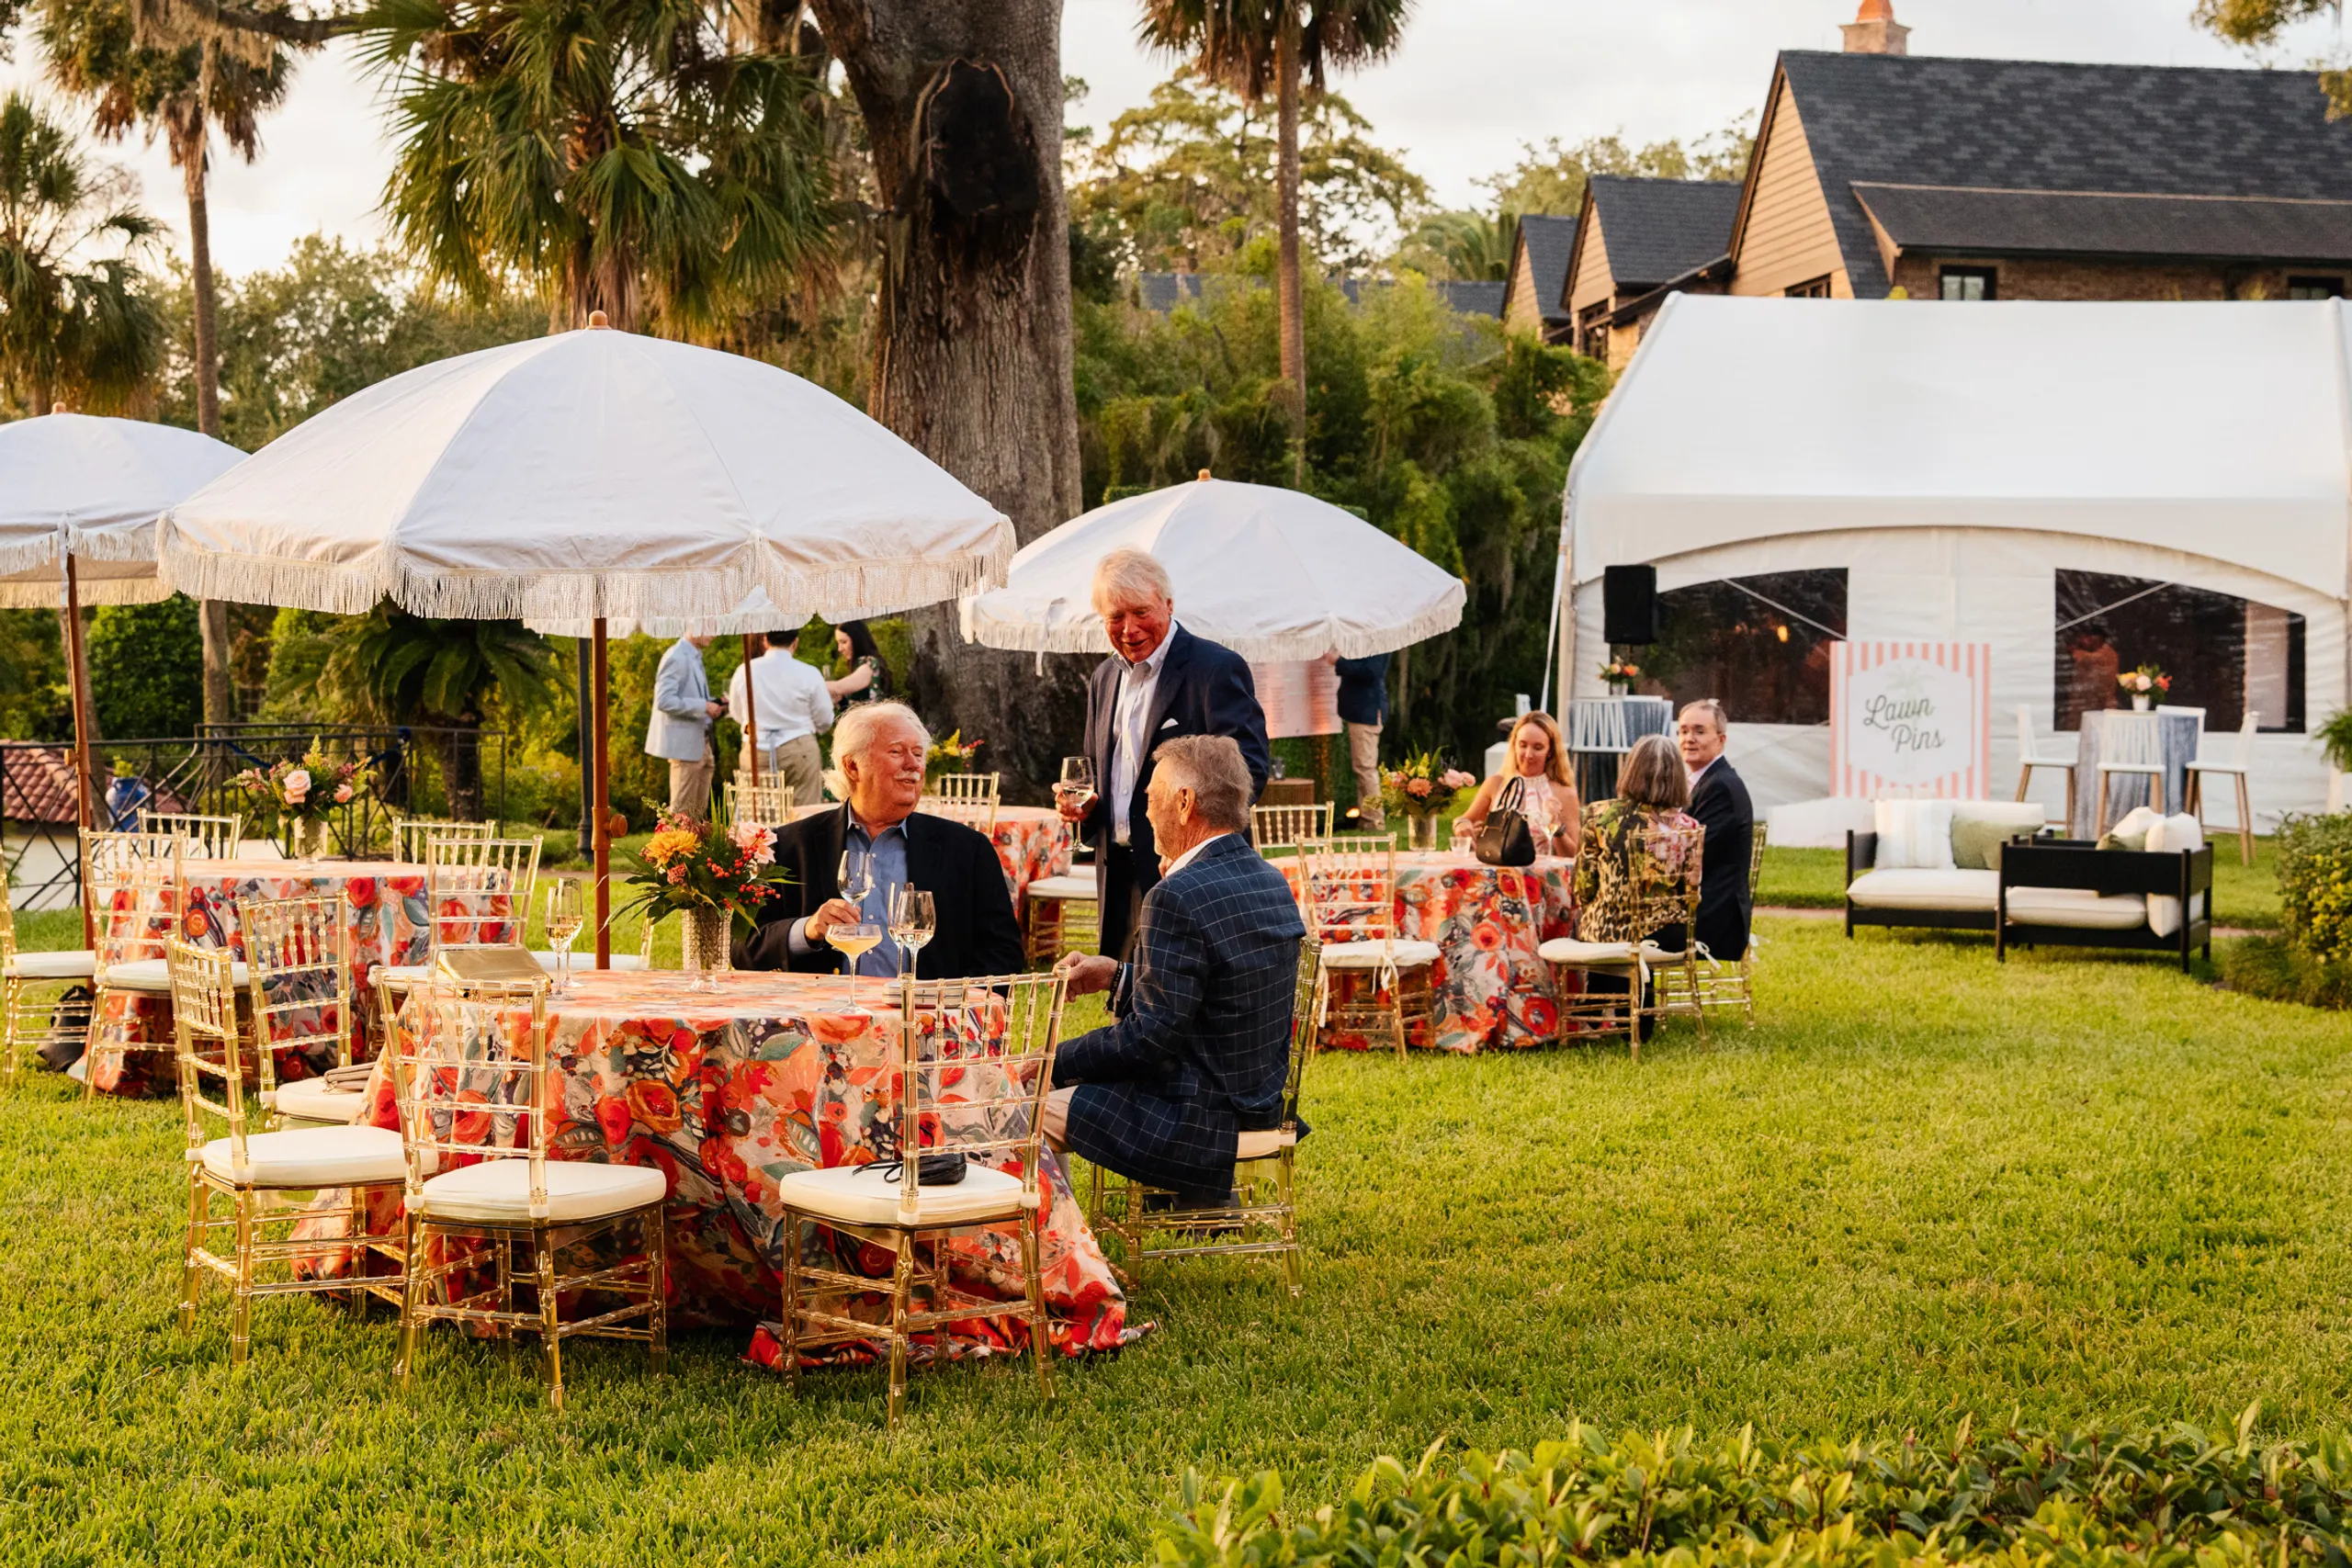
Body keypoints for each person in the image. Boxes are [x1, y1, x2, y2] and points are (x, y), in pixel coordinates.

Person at [1046, 736, 1306, 1204]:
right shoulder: (1268, 878)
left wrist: (1051, 1063)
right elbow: (1214, 996)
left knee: (1025, 1108)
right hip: (1258, 1100)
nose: (1144, 814)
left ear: (1184, 803)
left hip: (1198, 1115)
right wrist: (1116, 975)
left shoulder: (1177, 893)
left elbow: (1149, 1038)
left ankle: (1059, 1254)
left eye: (1149, 797)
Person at [1057, 547, 1272, 961]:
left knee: (1182, 1008)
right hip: (1117, 874)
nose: (1129, 628)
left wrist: (1188, 837)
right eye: (1115, 617)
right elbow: (1098, 776)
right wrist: (1084, 809)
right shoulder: (1103, 678)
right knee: (1125, 1005)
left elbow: (1249, 772)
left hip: (1192, 874)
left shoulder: (1215, 668)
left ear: (1169, 604)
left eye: (1141, 612)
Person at [734, 702, 1023, 978]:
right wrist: (808, 929)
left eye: (918, 754)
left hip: (926, 1021)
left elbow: (1003, 953)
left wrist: (948, 1009)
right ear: (852, 766)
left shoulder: (967, 849)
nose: (913, 764)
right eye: (896, 751)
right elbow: (743, 948)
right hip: (823, 1021)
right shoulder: (790, 845)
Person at [1573, 733, 1704, 948]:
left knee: (1600, 940)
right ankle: (1646, 981)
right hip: (1665, 934)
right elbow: (1691, 896)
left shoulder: (1598, 815)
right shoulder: (1688, 827)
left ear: (1631, 770)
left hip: (1606, 930)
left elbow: (1583, 887)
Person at [1677, 698, 1755, 962]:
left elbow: (1689, 856)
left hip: (1714, 918)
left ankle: (1628, 1004)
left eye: (1699, 731)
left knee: (1620, 929)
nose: (1689, 738)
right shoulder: (1700, 782)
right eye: (1684, 731)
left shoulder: (1720, 787)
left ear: (1721, 740)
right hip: (1696, 906)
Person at [724, 627, 836, 808]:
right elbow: (825, 719)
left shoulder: (745, 671)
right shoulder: (808, 673)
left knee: (759, 815)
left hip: (756, 747)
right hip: (799, 747)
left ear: (765, 640)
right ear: (795, 642)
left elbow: (738, 713)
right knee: (803, 812)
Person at [1457, 711, 1582, 858]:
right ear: (1514, 746)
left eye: (1538, 747)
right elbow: (1464, 820)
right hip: (1497, 869)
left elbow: (1574, 855)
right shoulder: (1496, 784)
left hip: (1541, 876)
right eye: (1523, 745)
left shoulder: (1564, 793)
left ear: (1550, 751)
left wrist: (1558, 828)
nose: (1528, 755)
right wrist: (1462, 825)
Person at [647, 634, 723, 819]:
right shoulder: (676, 656)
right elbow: (664, 701)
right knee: (681, 818)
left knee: (698, 818)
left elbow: (689, 697)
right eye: (709, 626)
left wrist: (717, 703)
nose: (715, 633)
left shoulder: (694, 656)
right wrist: (704, 706)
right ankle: (673, 849)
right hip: (685, 749)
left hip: (702, 744)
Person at [1333, 652, 1389, 829]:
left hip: (1366, 711)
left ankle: (1375, 819)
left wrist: (1339, 661)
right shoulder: (1373, 638)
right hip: (1363, 710)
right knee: (1362, 767)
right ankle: (1367, 818)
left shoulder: (1377, 640)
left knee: (1365, 767)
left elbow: (1372, 670)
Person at [830, 620, 888, 705]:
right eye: (838, 643)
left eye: (844, 642)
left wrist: (812, 684)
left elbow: (839, 687)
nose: (840, 649)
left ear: (857, 640)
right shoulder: (856, 665)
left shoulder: (870, 663)